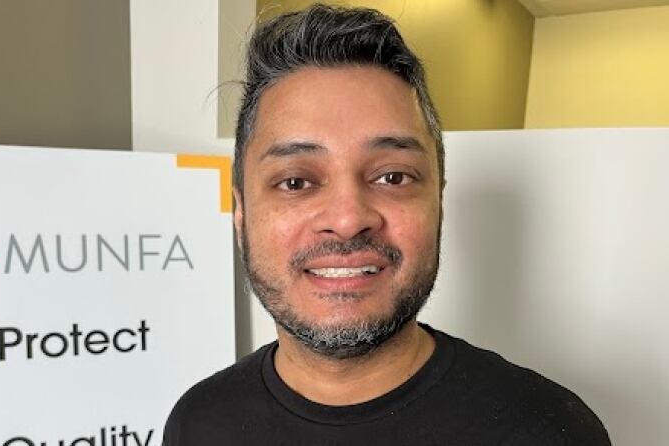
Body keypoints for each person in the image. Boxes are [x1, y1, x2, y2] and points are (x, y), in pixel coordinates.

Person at [163, 4, 610, 445]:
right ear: (241, 213)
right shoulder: (197, 422)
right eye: (295, 181)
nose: (348, 219)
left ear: (438, 201)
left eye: (392, 177)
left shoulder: (550, 430)